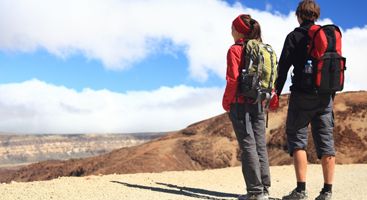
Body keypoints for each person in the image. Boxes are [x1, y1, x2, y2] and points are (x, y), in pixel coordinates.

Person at [272, 1, 336, 200]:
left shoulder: (294, 36)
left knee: (298, 140)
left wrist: (275, 92)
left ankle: (300, 191)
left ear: (299, 15)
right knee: (326, 143)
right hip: (325, 96)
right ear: (316, 15)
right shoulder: (329, 35)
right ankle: (327, 191)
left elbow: (283, 68)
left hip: (301, 95)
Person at [223, 14, 270, 200]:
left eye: (233, 28)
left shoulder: (234, 50)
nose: (231, 31)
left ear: (239, 31)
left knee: (248, 146)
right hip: (258, 102)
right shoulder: (261, 48)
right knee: (260, 145)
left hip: (240, 104)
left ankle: (254, 192)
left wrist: (227, 101)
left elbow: (233, 79)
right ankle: (264, 189)